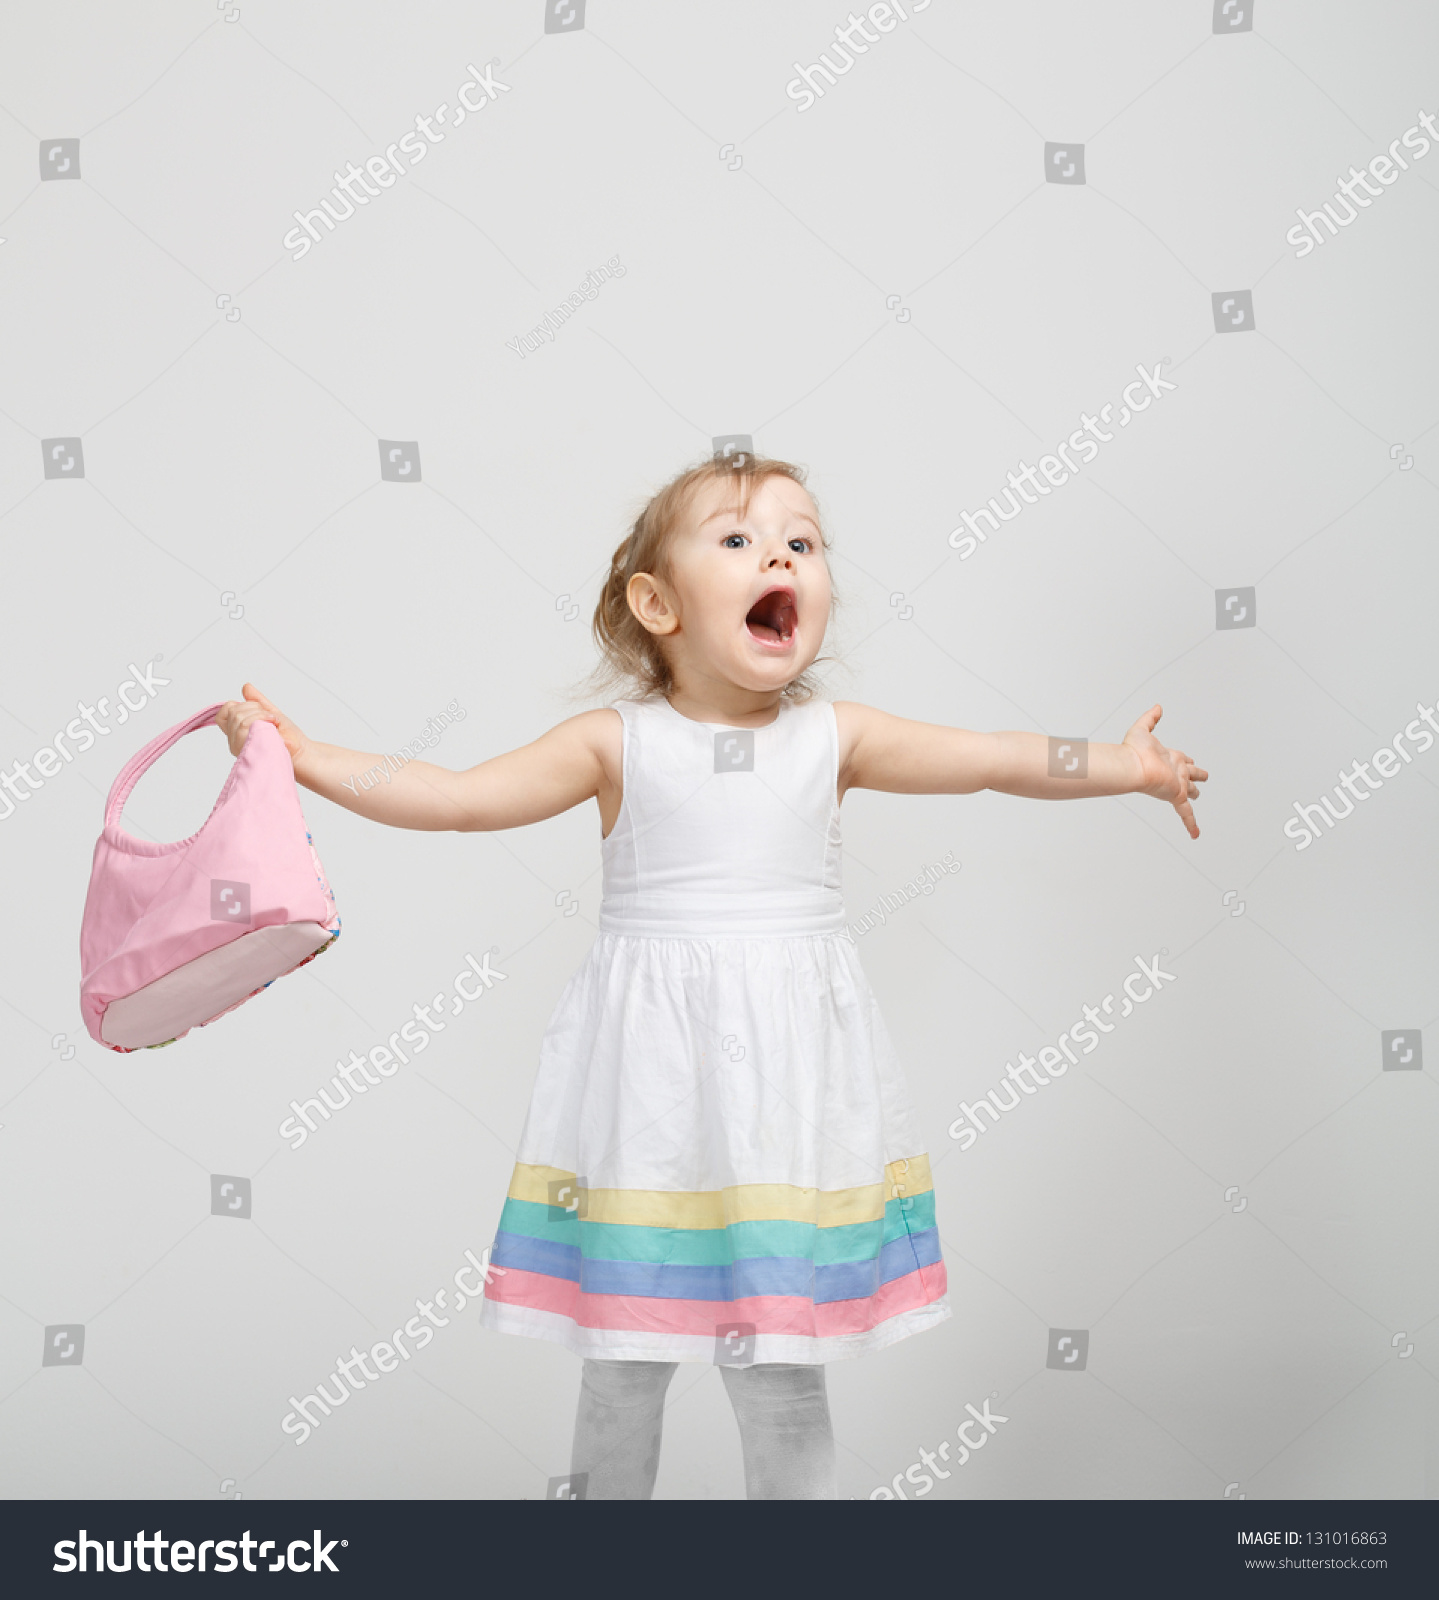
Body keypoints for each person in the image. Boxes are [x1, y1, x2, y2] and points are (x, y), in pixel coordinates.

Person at [216, 452, 1207, 1499]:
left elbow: (996, 758)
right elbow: (458, 796)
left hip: (785, 1095)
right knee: (622, 1365)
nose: (778, 551)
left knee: (781, 1373)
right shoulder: (614, 744)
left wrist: (1119, 764)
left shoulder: (835, 738)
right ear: (656, 602)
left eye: (801, 539)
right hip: (649, 1086)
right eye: (736, 539)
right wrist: (303, 754)